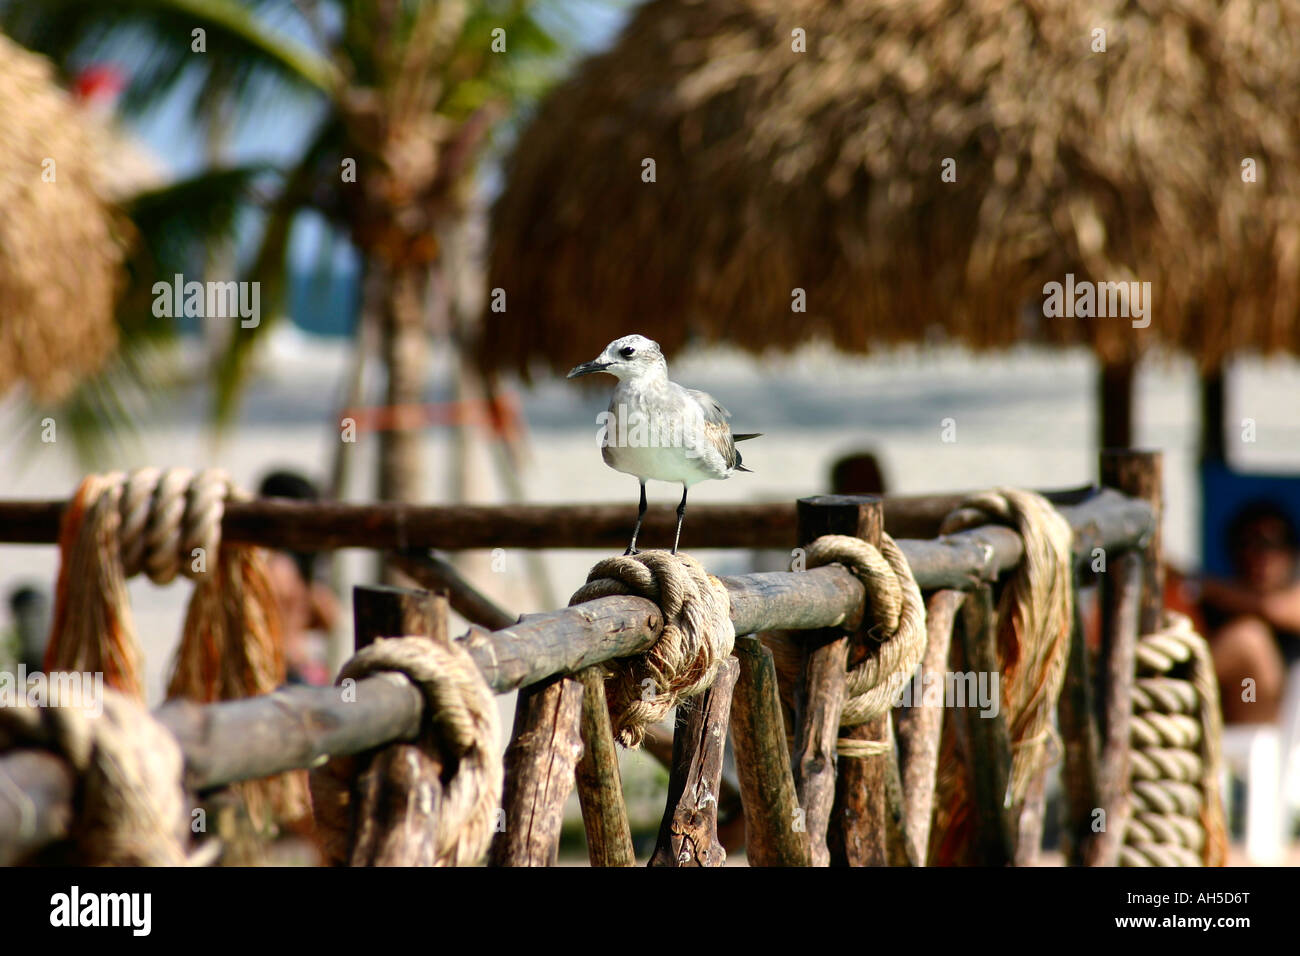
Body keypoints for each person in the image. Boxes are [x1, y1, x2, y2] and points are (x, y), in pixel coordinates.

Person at [1201, 500, 1300, 724]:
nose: (1261, 556)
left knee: (1248, 642)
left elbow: (1271, 608)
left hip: (1268, 721)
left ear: (1291, 553)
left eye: (1271, 544)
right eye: (1249, 543)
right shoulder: (1214, 604)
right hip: (1219, 715)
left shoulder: (1293, 597)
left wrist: (1202, 587)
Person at [258, 470, 338, 686]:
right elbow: (329, 618)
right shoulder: (304, 569)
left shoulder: (274, 567)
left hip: (278, 671)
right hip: (307, 668)